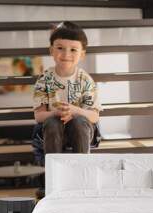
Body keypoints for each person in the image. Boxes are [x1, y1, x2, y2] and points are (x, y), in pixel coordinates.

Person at [32, 21, 102, 166]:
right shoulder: (45, 79)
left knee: (79, 121)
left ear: (82, 54)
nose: (66, 54)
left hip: (81, 133)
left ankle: (82, 172)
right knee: (51, 122)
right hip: (52, 133)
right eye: (60, 48)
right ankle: (53, 176)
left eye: (73, 50)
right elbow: (39, 116)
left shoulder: (85, 80)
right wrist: (56, 113)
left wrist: (74, 110)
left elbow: (94, 116)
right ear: (51, 50)